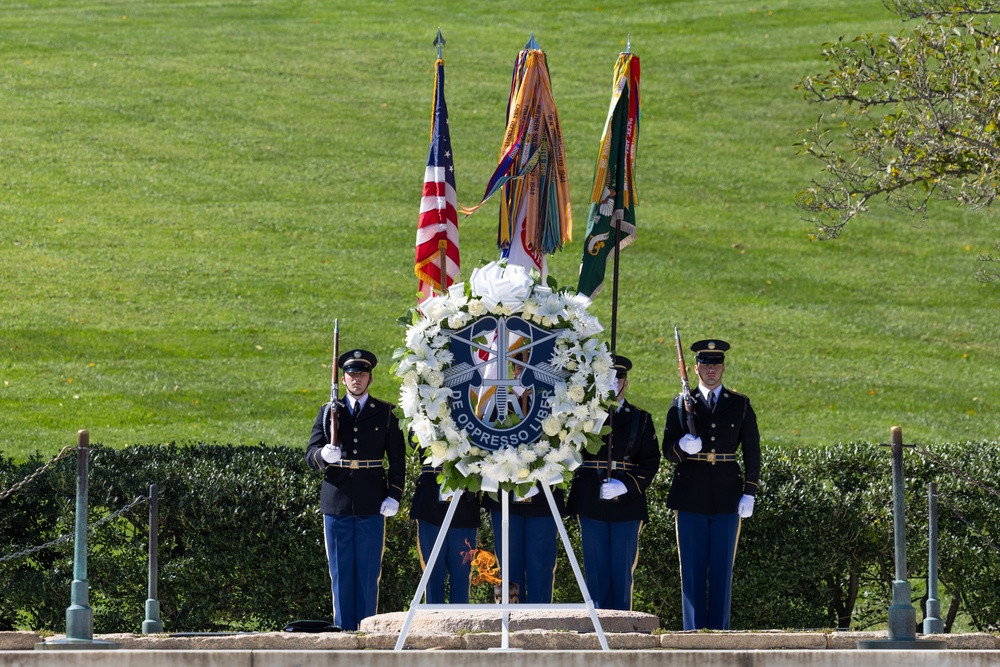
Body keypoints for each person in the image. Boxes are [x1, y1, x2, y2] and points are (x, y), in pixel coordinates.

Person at [662, 339, 760, 630]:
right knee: (691, 570)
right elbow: (667, 449)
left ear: (723, 368)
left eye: (716, 364)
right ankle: (693, 633)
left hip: (728, 495)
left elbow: (752, 451)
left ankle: (720, 633)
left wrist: (750, 491)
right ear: (695, 368)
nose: (711, 370)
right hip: (690, 496)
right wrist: (682, 445)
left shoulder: (739, 404)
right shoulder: (681, 404)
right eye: (705, 365)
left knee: (721, 570)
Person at [305, 348, 405, 631]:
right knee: (340, 572)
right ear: (344, 379)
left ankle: (368, 629)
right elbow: (310, 453)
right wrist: (324, 455)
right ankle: (343, 631)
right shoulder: (328, 412)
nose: (356, 379)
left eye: (361, 374)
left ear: (370, 379)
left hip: (372, 501)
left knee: (369, 572)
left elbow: (398, 460)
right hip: (337, 501)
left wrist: (394, 494)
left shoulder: (385, 413)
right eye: (351, 374)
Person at [567, 354, 660, 610]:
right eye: (606, 378)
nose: (613, 383)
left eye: (618, 378)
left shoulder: (641, 418)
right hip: (591, 498)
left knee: (622, 568)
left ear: (625, 383)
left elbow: (651, 461)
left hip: (626, 502)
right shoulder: (584, 416)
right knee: (595, 568)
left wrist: (627, 485)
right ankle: (598, 622)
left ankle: (621, 624)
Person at [481, 349, 564, 604]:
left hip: (543, 496)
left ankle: (540, 622)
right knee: (508, 567)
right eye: (518, 368)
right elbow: (485, 447)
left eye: (528, 368)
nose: (522, 373)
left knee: (541, 566)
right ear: (512, 371)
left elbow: (562, 447)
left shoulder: (553, 406)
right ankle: (509, 623)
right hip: (505, 497)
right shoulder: (496, 403)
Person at [410, 456, 480, 603]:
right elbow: (415, 441)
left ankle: (461, 621)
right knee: (432, 572)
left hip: (464, 506)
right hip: (430, 505)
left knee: (461, 573)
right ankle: (434, 620)